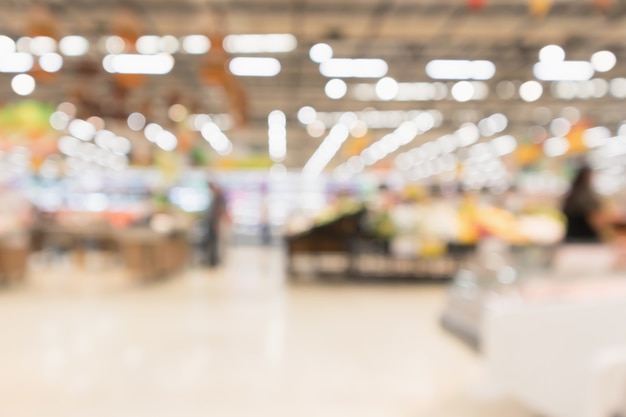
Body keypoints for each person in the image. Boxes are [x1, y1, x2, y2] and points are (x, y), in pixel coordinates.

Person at [561, 165, 614, 243]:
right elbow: (594, 217)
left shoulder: (573, 193)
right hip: (586, 236)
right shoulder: (585, 194)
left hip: (571, 235)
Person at [202, 181, 227, 267]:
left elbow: (219, 211)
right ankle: (212, 260)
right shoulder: (216, 197)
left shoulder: (218, 198)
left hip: (215, 223)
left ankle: (213, 261)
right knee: (212, 242)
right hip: (213, 222)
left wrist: (216, 223)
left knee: (214, 243)